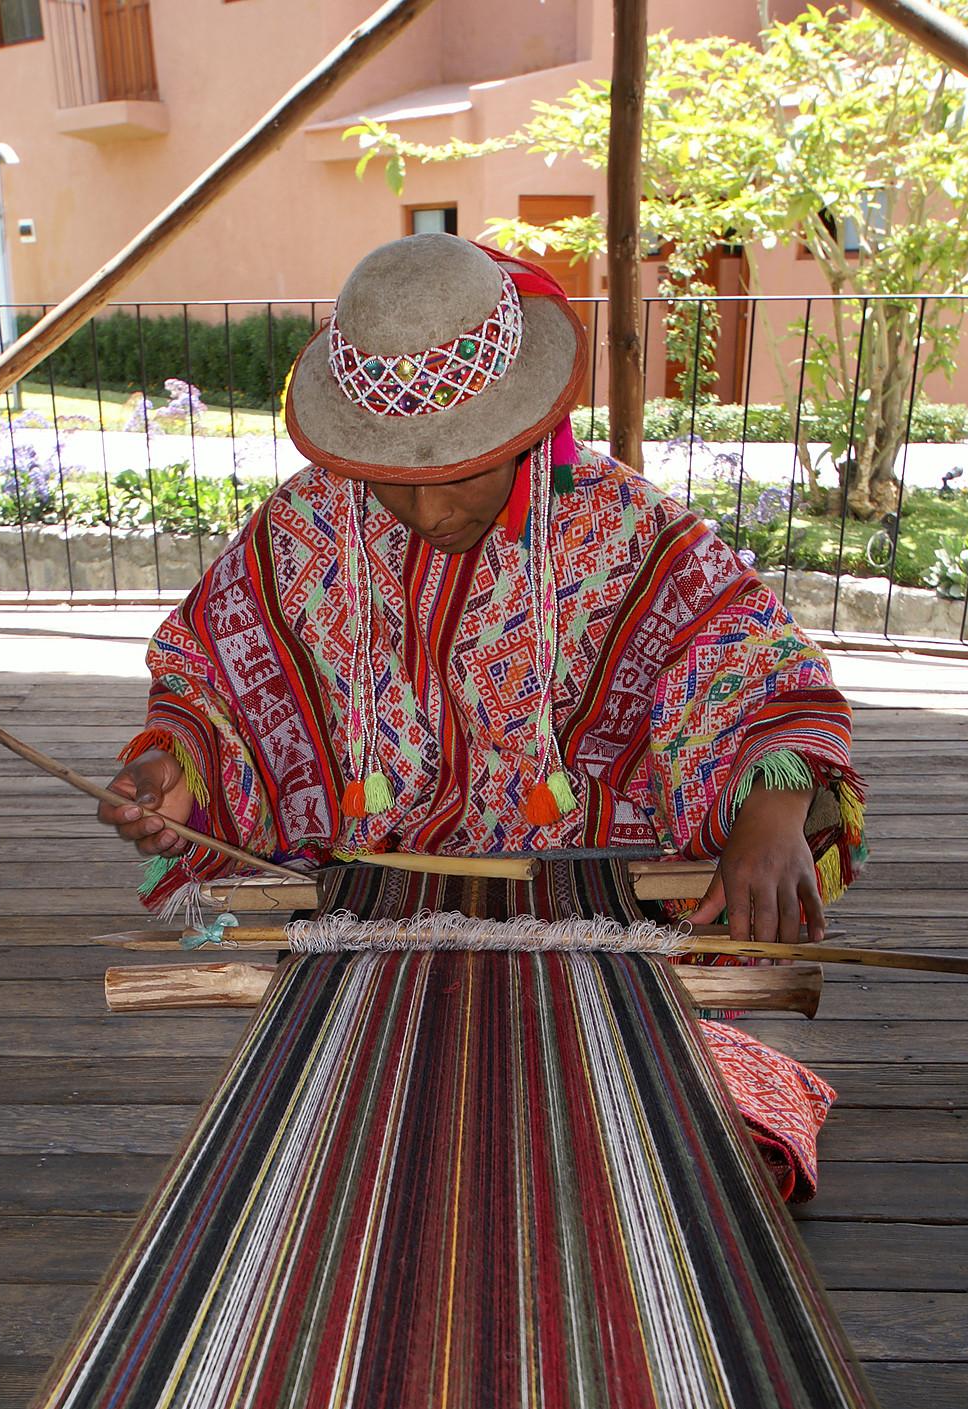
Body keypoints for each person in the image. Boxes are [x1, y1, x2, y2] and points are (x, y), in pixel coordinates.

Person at [98, 234, 866, 1197]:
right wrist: (179, 765)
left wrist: (772, 813)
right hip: (373, 911)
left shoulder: (623, 528)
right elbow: (214, 680)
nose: (428, 509)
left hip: (598, 905)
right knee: (374, 1174)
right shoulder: (304, 530)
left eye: (461, 467)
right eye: (393, 472)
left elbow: (749, 670)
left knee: (639, 1163)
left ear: (525, 425)